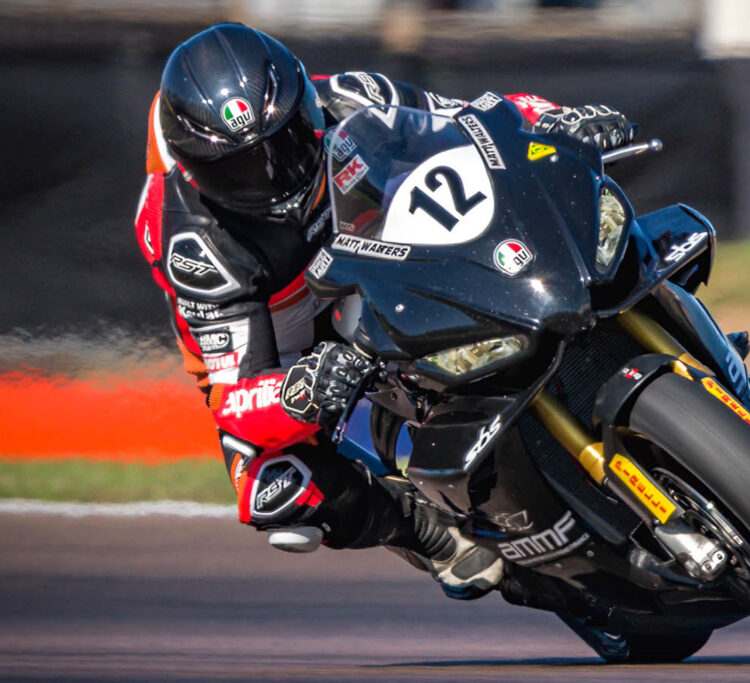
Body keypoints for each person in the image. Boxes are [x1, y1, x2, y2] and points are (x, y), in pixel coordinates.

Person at [134, 22, 636, 599]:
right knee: (276, 489)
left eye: (286, 144)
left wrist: (558, 118)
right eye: (242, 169)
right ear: (196, 170)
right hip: (289, 335)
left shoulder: (346, 97)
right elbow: (234, 398)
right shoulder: (190, 242)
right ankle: (432, 535)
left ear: (302, 109)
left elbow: (478, 117)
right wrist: (300, 390)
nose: (274, 176)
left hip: (380, 261)